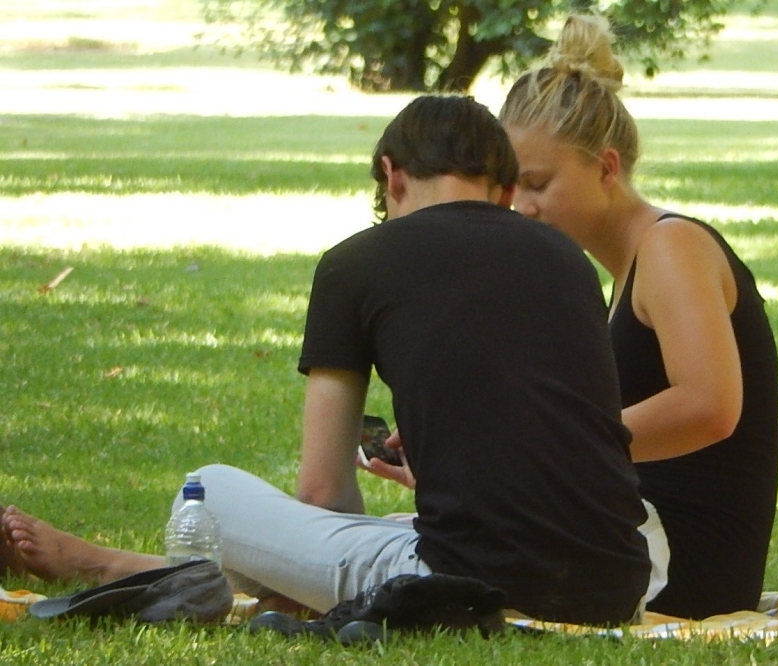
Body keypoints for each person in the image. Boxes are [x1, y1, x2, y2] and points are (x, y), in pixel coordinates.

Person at [1, 94, 652, 626]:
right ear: (506, 189)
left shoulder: (357, 262)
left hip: (470, 585)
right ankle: (133, 566)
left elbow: (322, 490)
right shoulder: (566, 260)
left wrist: (314, 566)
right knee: (382, 529)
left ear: (392, 174)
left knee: (210, 493)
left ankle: (109, 566)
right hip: (619, 579)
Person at [498, 15, 778, 620]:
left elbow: (710, 405)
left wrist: (542, 455)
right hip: (638, 542)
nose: (520, 208)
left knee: (414, 552)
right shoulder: (630, 267)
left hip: (682, 572)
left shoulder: (670, 247)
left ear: (605, 167)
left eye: (537, 184)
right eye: (510, 187)